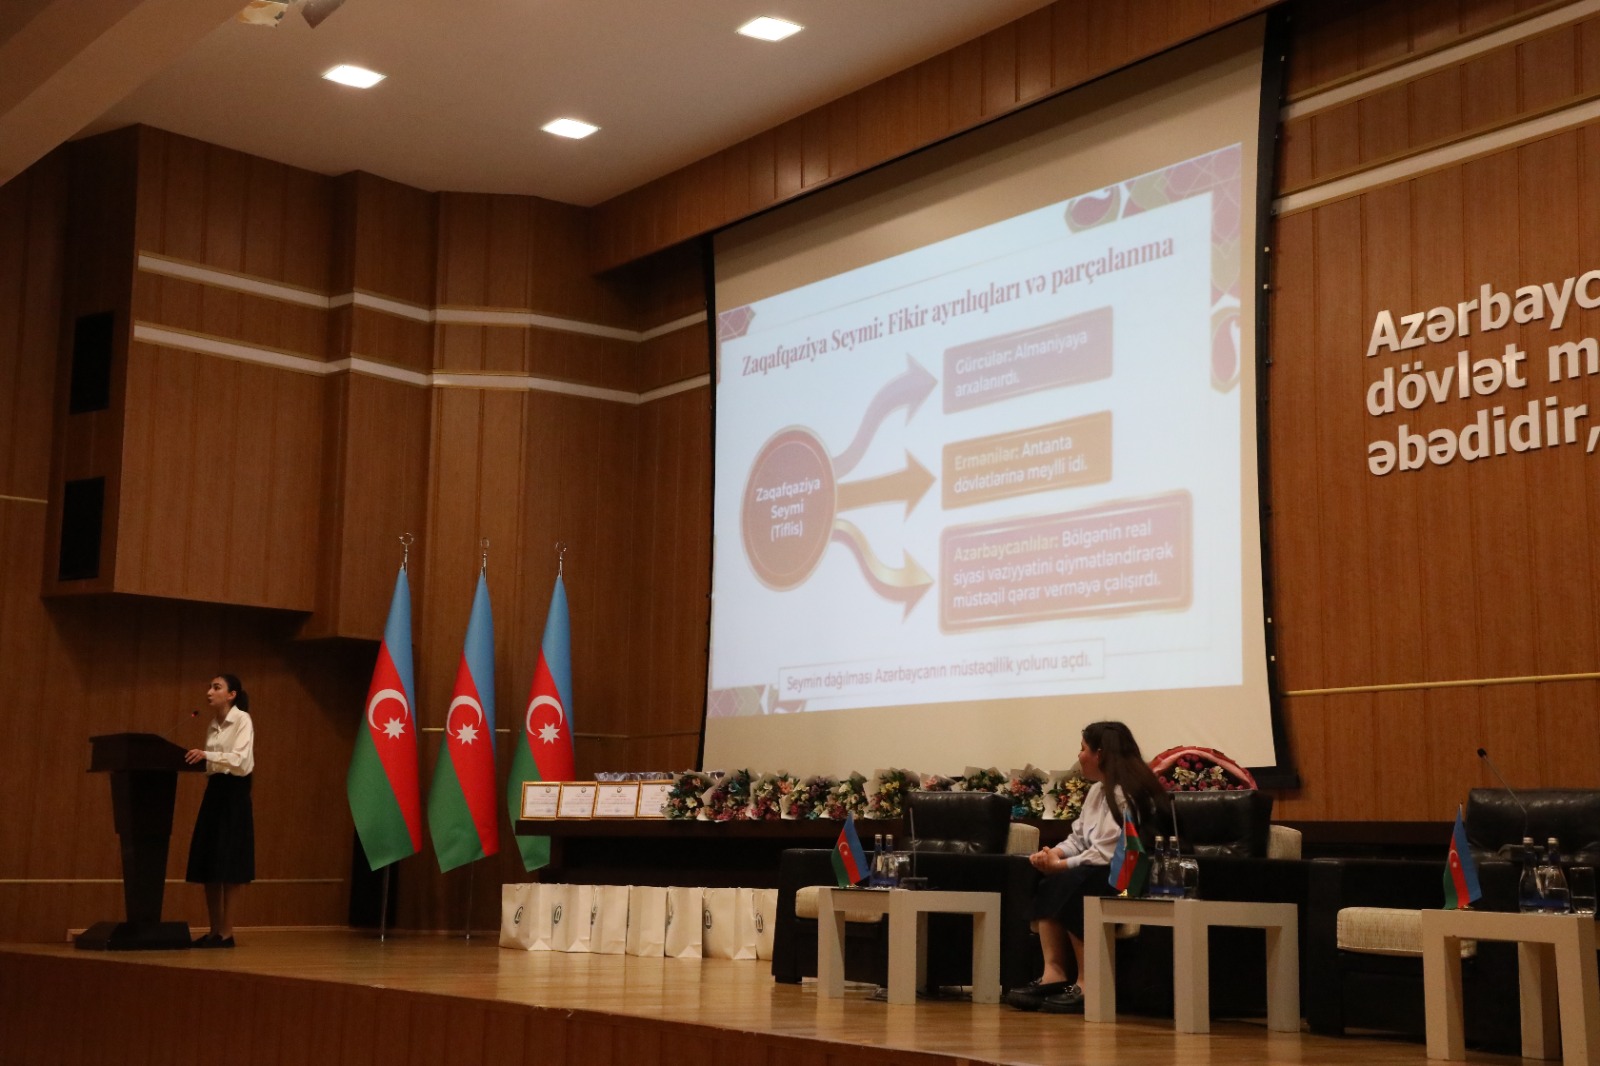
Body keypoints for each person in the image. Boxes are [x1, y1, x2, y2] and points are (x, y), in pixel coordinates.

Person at [1006, 720, 1168, 1013]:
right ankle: (1053, 974)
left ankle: (1087, 982)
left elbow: (1108, 853)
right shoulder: (1096, 792)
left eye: (1083, 749)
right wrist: (1053, 854)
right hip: (1098, 870)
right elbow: (1079, 838)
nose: (1079, 756)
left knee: (1074, 884)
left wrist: (1061, 865)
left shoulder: (1129, 793)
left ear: (1100, 754)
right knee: (1051, 881)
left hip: (1132, 877)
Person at [184, 674, 255, 947]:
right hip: (214, 792)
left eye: (216, 687)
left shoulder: (242, 720)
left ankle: (227, 932)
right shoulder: (213, 724)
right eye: (209, 687)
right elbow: (211, 764)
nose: (209, 692)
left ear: (232, 694)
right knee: (209, 862)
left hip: (234, 794)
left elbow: (241, 760)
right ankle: (214, 930)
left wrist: (207, 755)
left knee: (230, 864)